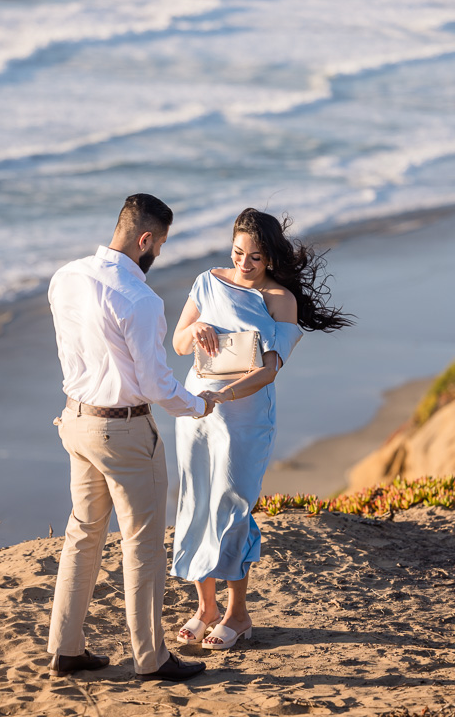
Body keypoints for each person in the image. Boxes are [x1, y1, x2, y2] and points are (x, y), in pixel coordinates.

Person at [47, 193, 215, 681]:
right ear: (145, 238)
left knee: (83, 534)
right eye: (159, 245)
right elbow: (154, 384)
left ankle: (65, 648)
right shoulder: (140, 299)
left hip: (75, 420)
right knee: (142, 543)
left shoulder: (66, 277)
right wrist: (199, 405)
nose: (158, 254)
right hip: (122, 430)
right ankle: (151, 658)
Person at [171, 208, 352, 650]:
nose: (243, 264)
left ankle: (238, 614)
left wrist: (222, 397)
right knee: (196, 501)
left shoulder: (279, 300)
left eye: (254, 257)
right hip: (196, 409)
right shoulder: (207, 281)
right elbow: (177, 343)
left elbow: (270, 370)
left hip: (243, 414)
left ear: (270, 257)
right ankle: (204, 608)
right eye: (237, 253)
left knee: (232, 506)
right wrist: (196, 329)